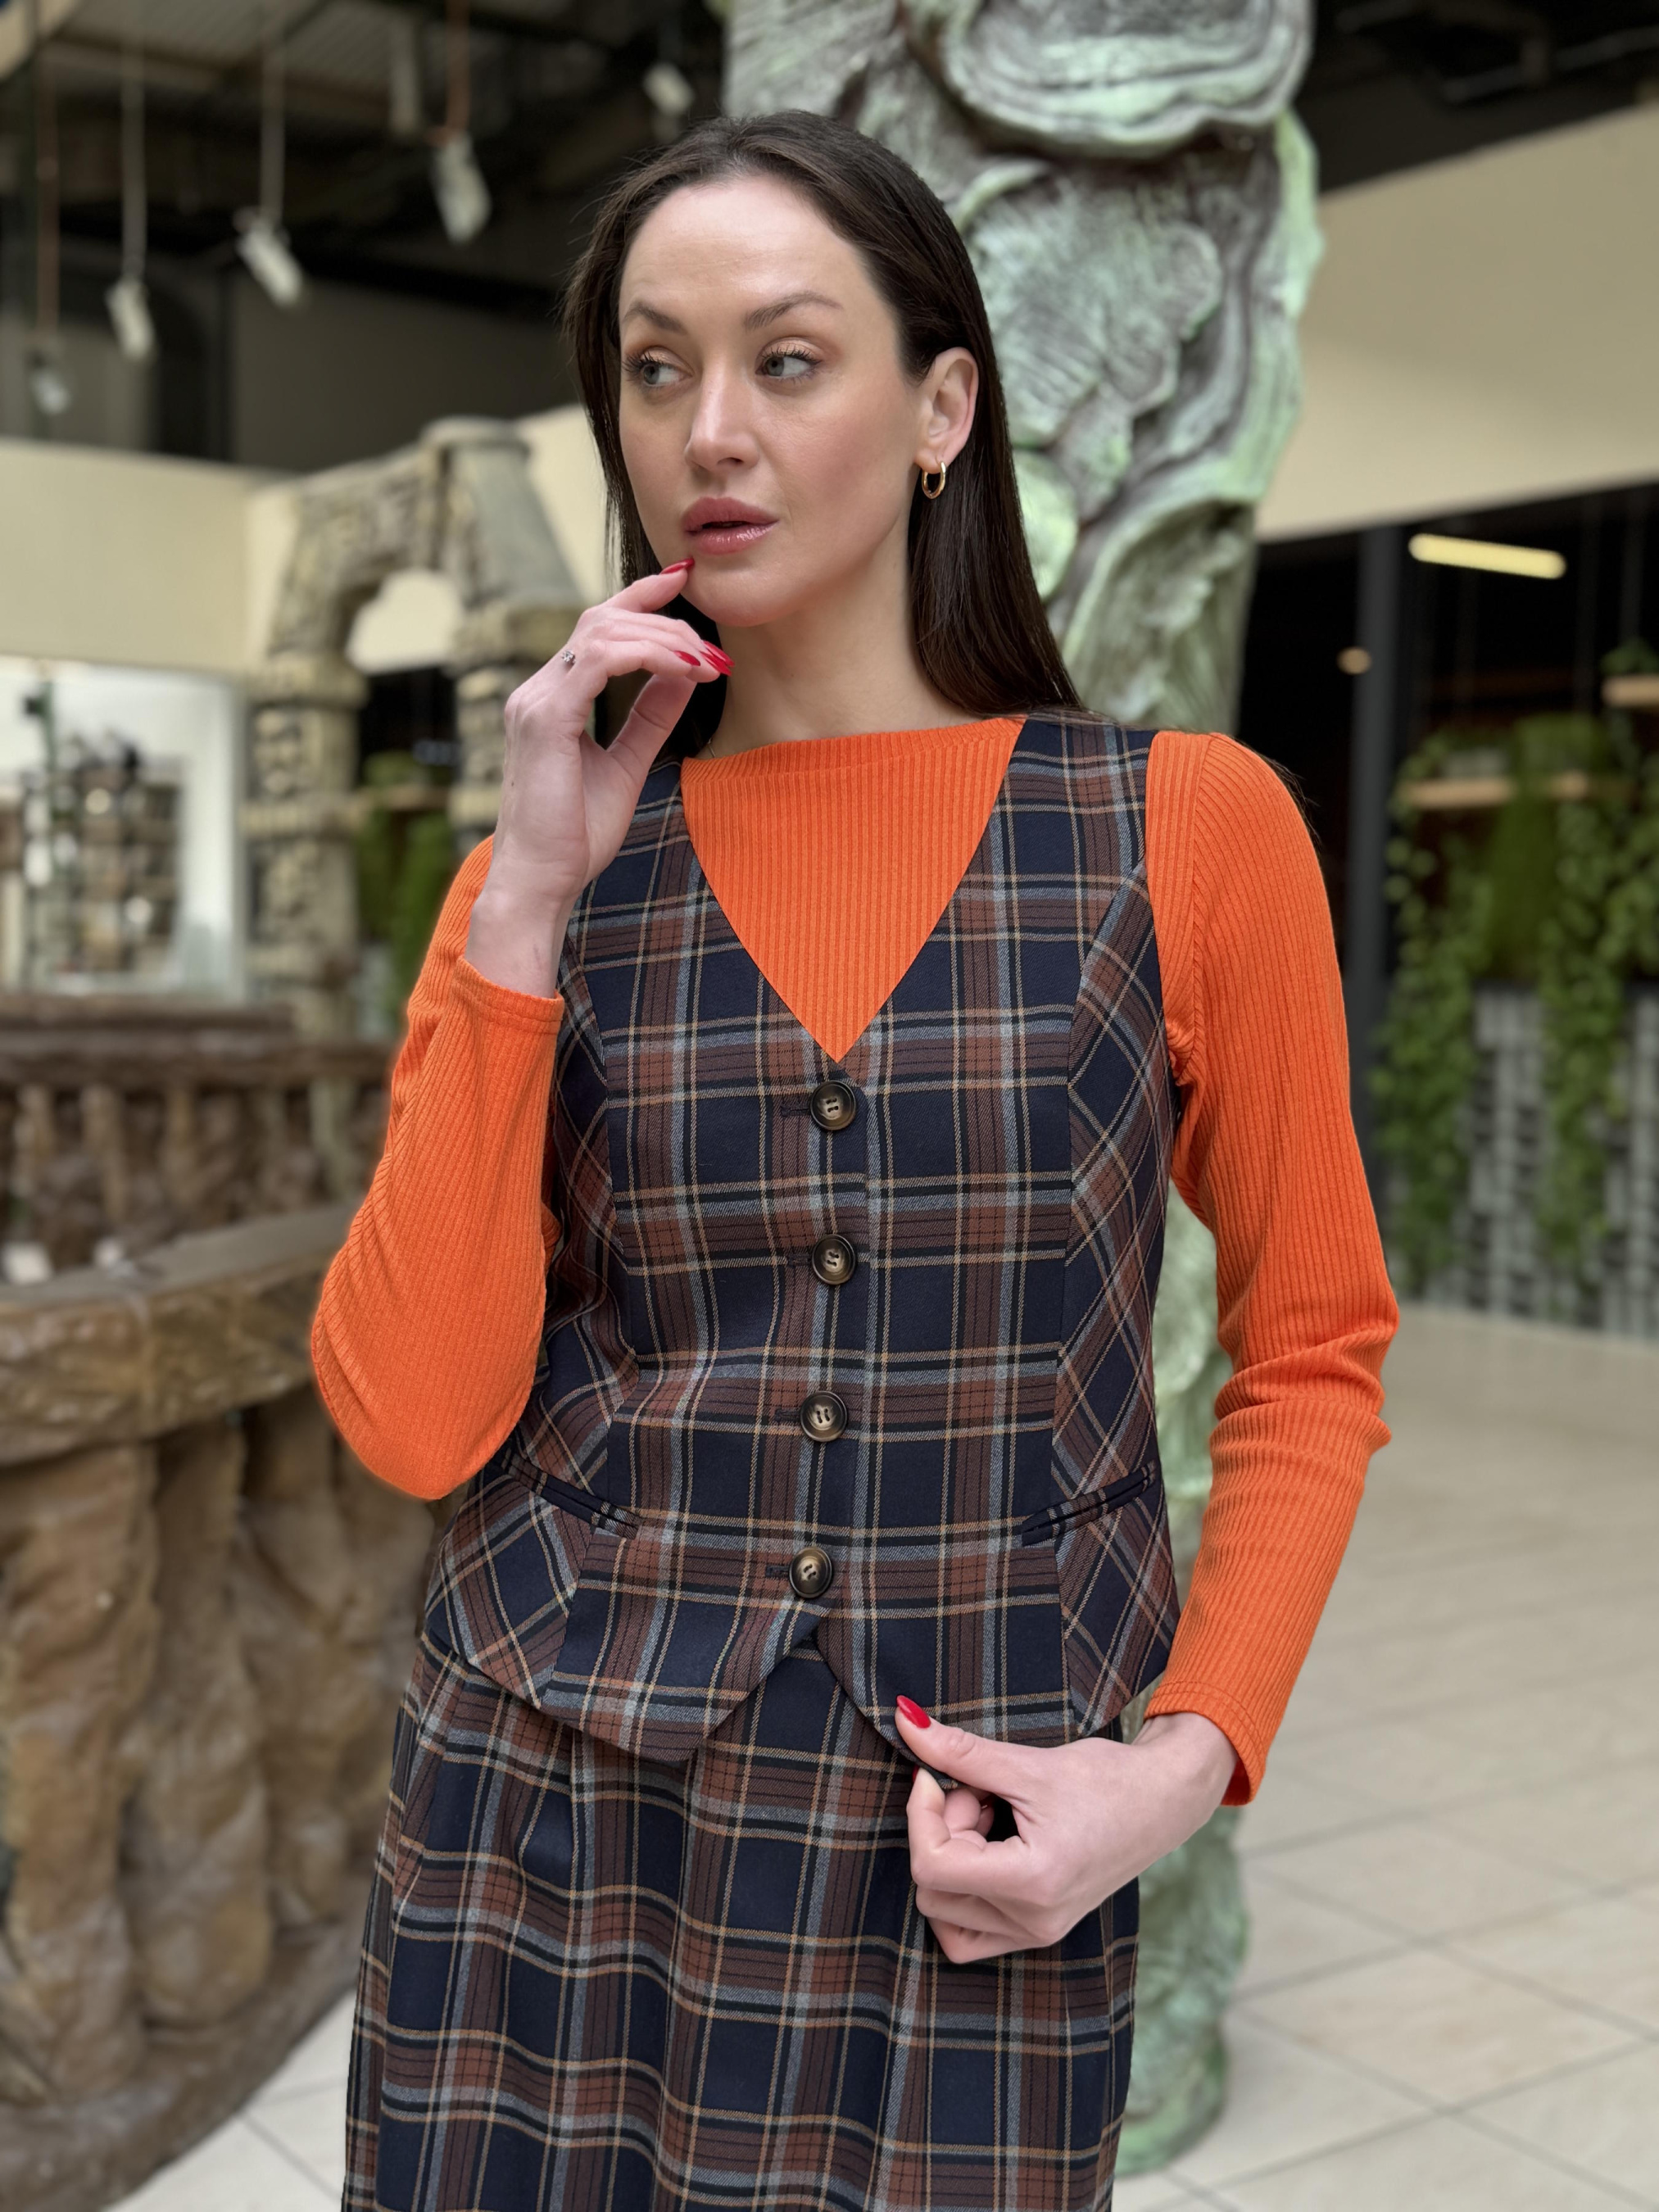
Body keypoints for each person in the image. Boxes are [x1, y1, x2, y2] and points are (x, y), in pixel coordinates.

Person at [316, 107, 1397, 2212]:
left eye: (785, 359)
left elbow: (1313, 1352)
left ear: (940, 409)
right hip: (544, 1811)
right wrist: (521, 907)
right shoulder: (541, 874)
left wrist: (1179, 1767)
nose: (706, 430)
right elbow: (415, 1418)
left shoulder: (1185, 830)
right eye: (652, 369)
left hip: (967, 1828)